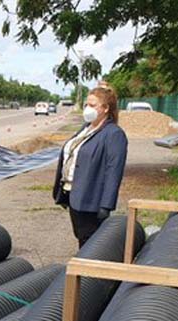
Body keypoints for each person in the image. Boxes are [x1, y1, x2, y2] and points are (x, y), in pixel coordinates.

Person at [52, 86, 128, 248]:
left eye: (93, 105)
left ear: (106, 108)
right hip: (74, 195)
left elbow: (113, 171)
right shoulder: (86, 128)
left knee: (91, 243)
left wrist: (106, 205)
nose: (87, 109)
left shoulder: (113, 134)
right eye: (87, 104)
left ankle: (89, 272)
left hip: (91, 199)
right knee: (82, 237)